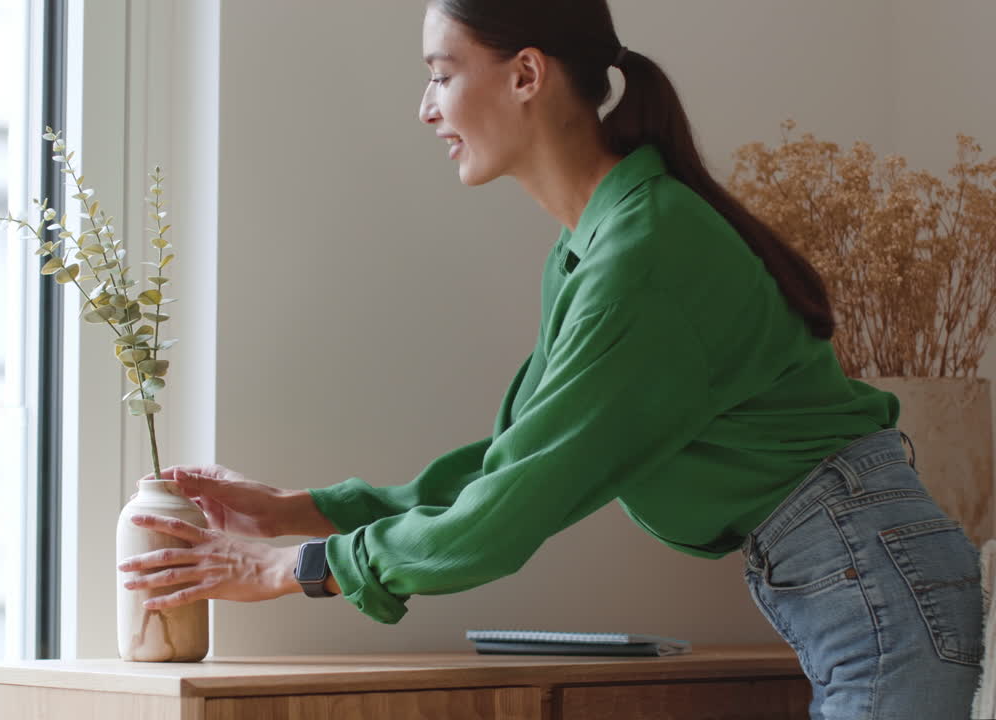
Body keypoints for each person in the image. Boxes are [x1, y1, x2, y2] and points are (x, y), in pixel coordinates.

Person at [117, 1, 984, 716]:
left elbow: (506, 514)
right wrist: (295, 512)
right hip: (855, 574)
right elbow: (511, 465)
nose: (426, 109)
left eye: (441, 73)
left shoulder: (641, 256)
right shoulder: (595, 246)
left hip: (871, 578)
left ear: (527, 74)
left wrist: (293, 571)